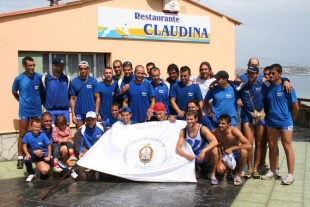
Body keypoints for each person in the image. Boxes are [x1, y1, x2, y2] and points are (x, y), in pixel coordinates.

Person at [261, 63, 299, 185]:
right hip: (271, 121)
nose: (270, 75)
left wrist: (290, 120)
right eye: (269, 73)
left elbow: (295, 107)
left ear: (280, 74)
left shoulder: (287, 87)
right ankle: (272, 171)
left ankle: (290, 175)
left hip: (285, 122)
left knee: (287, 146)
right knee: (272, 146)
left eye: (273, 73)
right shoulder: (269, 87)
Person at [12, 56, 42, 169]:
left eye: (33, 65)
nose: (32, 67)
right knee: (22, 133)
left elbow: (43, 91)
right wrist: (21, 101)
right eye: (30, 65)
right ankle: (20, 158)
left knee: (38, 132)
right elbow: (14, 92)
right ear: (24, 66)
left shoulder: (39, 77)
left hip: (37, 109)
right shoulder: (19, 79)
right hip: (24, 110)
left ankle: (37, 155)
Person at [176, 110, 219, 185]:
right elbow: (178, 147)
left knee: (215, 150)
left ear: (196, 119)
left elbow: (215, 141)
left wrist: (203, 151)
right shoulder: (184, 131)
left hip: (203, 156)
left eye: (191, 119)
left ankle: (213, 175)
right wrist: (186, 155)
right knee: (176, 154)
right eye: (187, 119)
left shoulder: (202, 128)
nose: (189, 121)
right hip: (192, 156)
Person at [212, 114, 251, 186]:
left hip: (236, 154)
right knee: (220, 170)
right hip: (226, 155)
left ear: (228, 124)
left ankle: (238, 175)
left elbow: (248, 145)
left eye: (223, 123)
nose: (220, 125)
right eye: (219, 123)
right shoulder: (216, 132)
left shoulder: (234, 131)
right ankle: (230, 170)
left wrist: (232, 148)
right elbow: (208, 138)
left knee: (244, 151)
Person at [40, 57, 71, 125]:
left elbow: (69, 94)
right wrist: (47, 105)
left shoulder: (67, 78)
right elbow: (42, 95)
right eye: (60, 66)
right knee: (51, 133)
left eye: (63, 66)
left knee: (64, 132)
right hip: (51, 110)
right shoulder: (45, 79)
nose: (62, 67)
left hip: (64, 110)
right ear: (54, 66)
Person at [70, 61, 100, 129]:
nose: (83, 71)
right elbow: (72, 98)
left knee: (91, 133)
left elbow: (97, 98)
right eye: (81, 69)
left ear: (88, 69)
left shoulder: (93, 81)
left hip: (91, 112)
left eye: (85, 69)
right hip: (79, 112)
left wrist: (96, 113)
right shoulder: (74, 82)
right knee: (80, 133)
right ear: (78, 69)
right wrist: (73, 114)